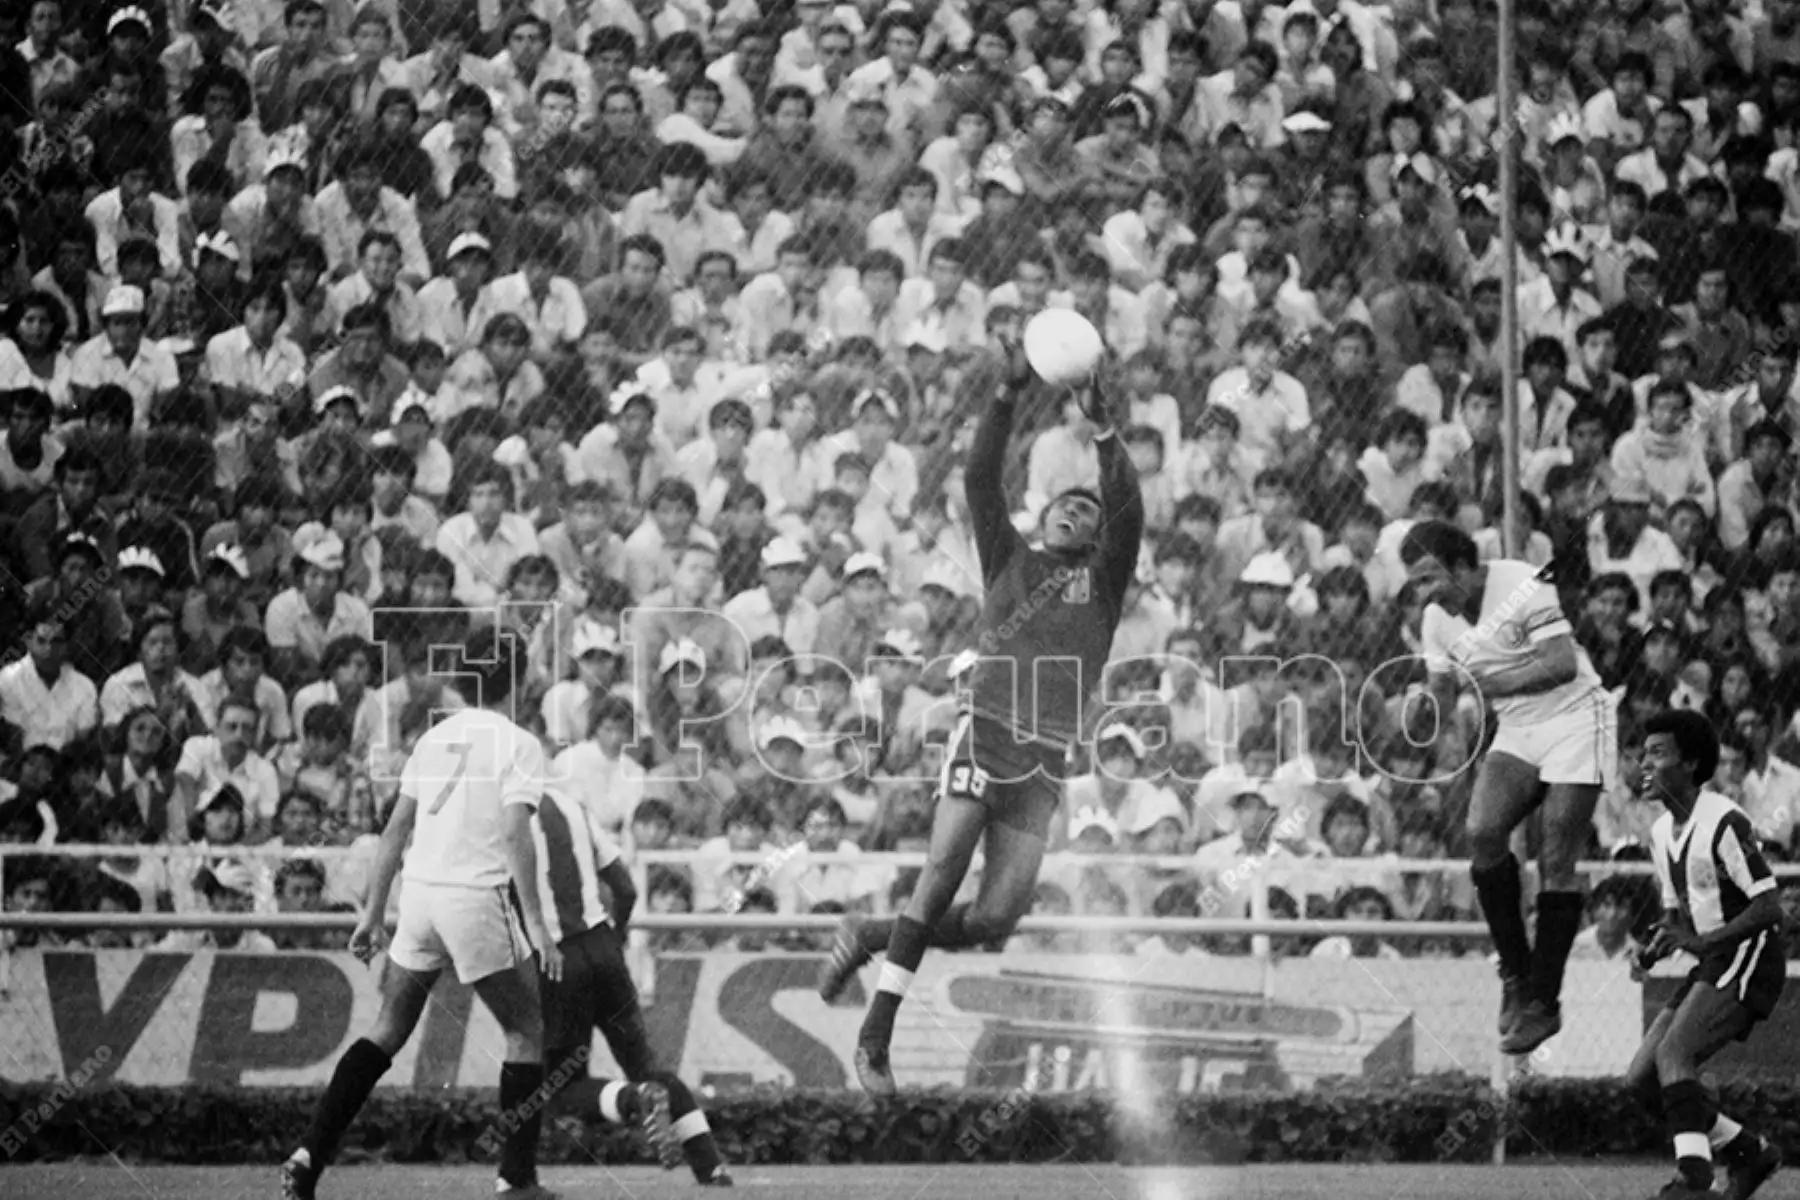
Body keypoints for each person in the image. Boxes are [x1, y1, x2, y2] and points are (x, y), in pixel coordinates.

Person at [817, 331, 1143, 1093]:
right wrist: (1005, 392)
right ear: (1044, 518)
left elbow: (1127, 505)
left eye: (1084, 510)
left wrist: (1103, 430)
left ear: (1097, 536)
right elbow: (978, 476)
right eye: (1063, 503)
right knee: (942, 868)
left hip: (1043, 760)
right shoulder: (1010, 557)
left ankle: (871, 934)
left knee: (997, 917)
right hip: (987, 729)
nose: (1074, 511)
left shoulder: (1102, 584)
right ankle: (875, 1040)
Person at [280, 633, 559, 1200]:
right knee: (527, 1028)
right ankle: (516, 1178)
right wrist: (536, 925)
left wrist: (373, 914)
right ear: (521, 680)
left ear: (462, 677)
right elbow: (512, 833)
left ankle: (310, 1154)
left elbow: (395, 830)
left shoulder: (434, 738)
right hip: (475, 898)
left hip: (421, 897)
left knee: (388, 1027)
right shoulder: (519, 743)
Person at [1400, 519, 1615, 1056]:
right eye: (1416, 584)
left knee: (1557, 850)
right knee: (1482, 833)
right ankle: (1516, 977)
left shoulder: (1521, 581)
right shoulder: (1435, 620)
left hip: (1577, 718)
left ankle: (1544, 1003)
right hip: (1518, 725)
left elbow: (1563, 662)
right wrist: (1426, 709)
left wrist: (1492, 683)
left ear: (1465, 568)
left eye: (1431, 579)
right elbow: (1444, 692)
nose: (1425, 594)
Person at [530, 779, 733, 1186]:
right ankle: (710, 1166)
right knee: (647, 1065)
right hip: (603, 946)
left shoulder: (502, 810)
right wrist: (614, 937)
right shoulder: (573, 806)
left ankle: (633, 1100)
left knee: (563, 1089)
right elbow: (624, 888)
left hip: (556, 956)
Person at [1627, 709, 1785, 1200]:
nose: (1644, 764)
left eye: (1658, 753)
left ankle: (1695, 1179)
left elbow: (1768, 905)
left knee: (1676, 1053)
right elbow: (1677, 919)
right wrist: (1654, 948)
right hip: (1714, 956)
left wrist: (1701, 944)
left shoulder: (1723, 820)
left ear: (1691, 764)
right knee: (1642, 1079)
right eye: (1642, 753)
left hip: (1749, 954)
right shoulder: (1659, 834)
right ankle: (1749, 1152)